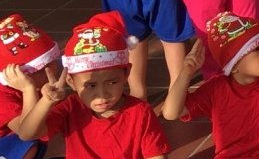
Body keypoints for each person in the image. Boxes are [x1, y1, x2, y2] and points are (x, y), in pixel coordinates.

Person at [14, 12, 169, 159]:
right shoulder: (70, 108)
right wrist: (46, 101)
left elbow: (155, 154)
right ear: (71, 82)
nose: (102, 94)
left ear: (126, 73)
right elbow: (27, 134)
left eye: (112, 82)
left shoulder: (140, 112)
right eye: (90, 85)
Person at [162, 12, 259, 159]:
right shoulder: (216, 89)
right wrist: (186, 73)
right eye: (256, 49)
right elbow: (170, 113)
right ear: (234, 65)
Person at [0, 15, 60, 159]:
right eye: (40, 69)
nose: (51, 71)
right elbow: (26, 132)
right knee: (27, 143)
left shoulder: (41, 86)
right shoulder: (1, 99)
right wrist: (28, 90)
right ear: (19, 75)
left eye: (52, 62)